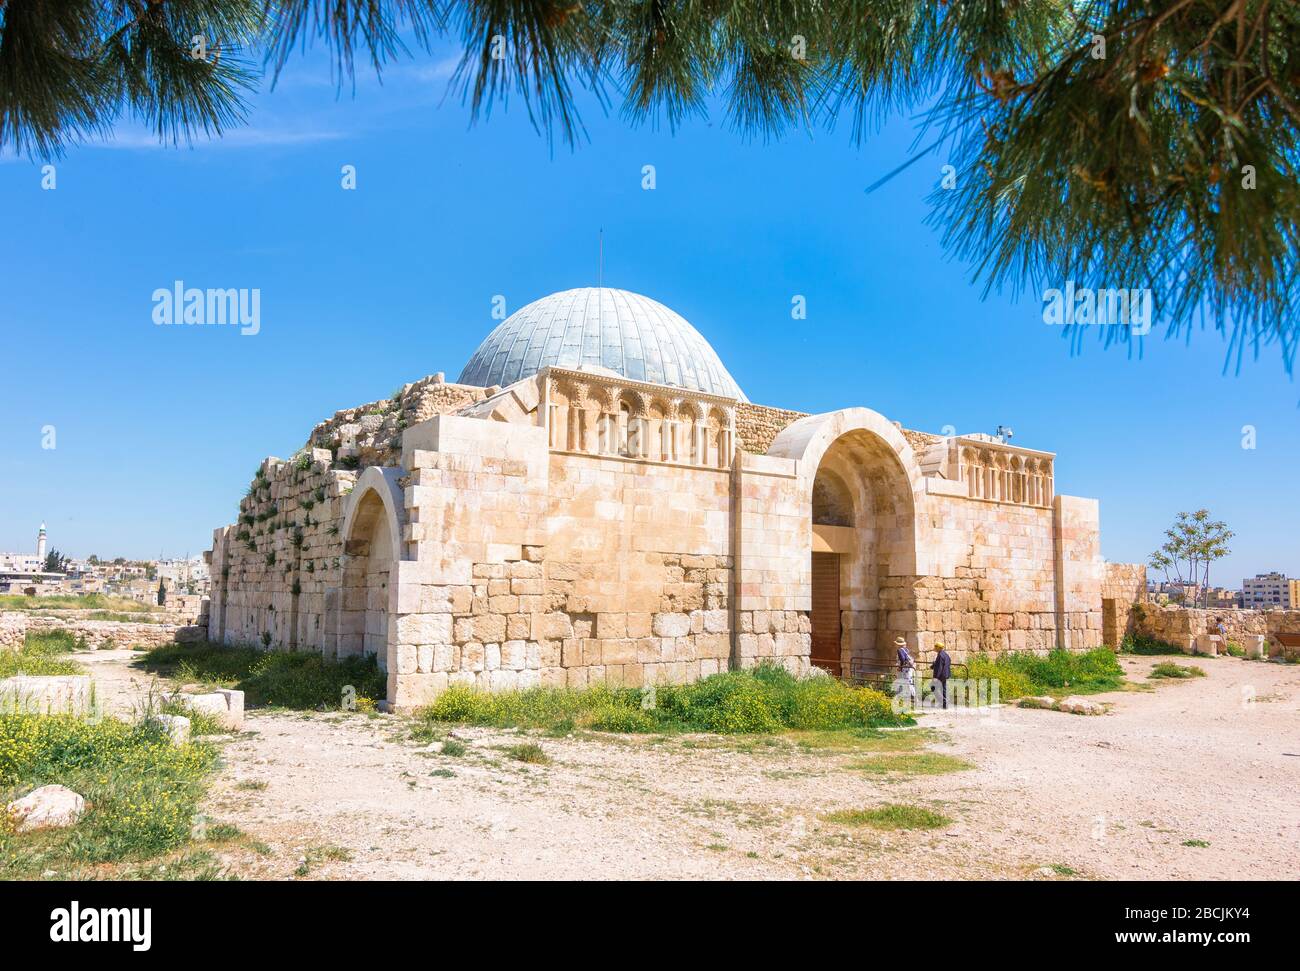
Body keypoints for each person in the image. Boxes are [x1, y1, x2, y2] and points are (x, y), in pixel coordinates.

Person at [894, 636, 916, 707]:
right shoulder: (905, 649)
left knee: (902, 682)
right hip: (908, 669)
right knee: (909, 682)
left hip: (904, 669)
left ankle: (906, 698)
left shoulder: (899, 650)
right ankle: (912, 697)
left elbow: (902, 659)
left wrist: (900, 667)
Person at [930, 641, 952, 709]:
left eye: (936, 648)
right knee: (943, 689)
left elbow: (939, 667)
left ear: (938, 648)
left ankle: (942, 702)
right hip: (946, 674)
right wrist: (934, 665)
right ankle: (945, 704)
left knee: (933, 687)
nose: (935, 649)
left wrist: (936, 678)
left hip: (940, 675)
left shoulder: (940, 655)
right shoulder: (946, 655)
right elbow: (945, 663)